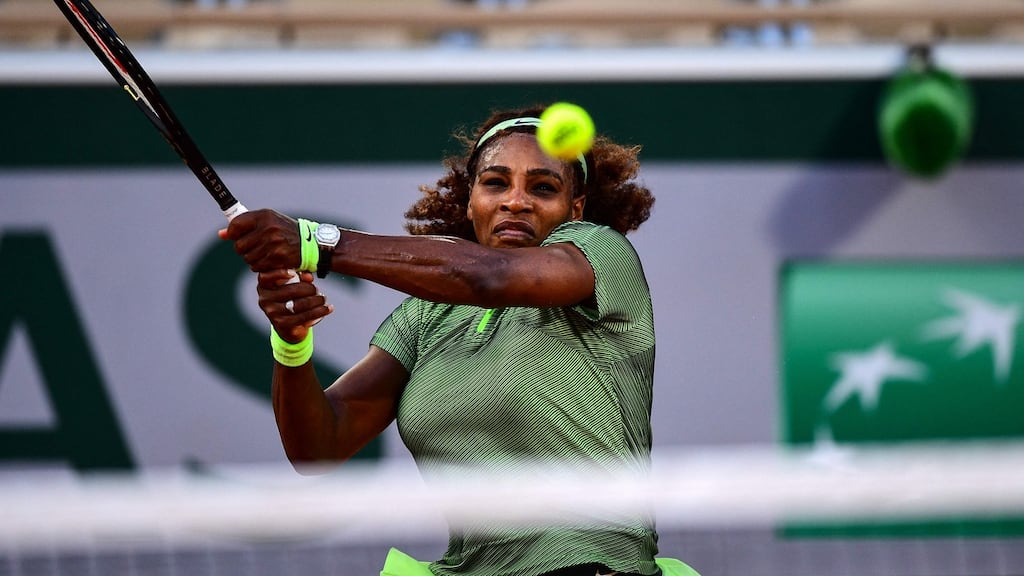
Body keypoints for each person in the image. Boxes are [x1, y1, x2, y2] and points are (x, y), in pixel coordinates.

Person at [220, 104, 696, 576]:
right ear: (471, 201)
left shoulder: (602, 256)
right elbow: (317, 447)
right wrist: (291, 342)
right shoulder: (425, 317)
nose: (516, 201)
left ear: (574, 210)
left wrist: (316, 243)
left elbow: (488, 278)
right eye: (495, 183)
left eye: (543, 188)